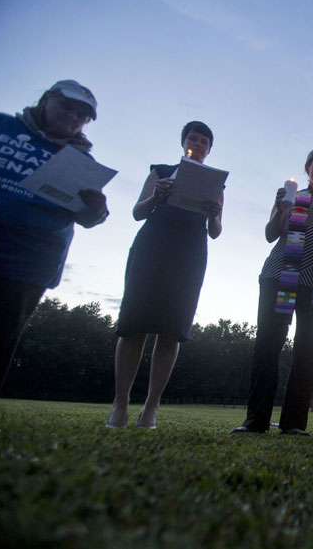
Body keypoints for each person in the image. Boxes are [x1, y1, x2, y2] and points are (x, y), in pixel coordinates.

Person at [0, 80, 109, 424]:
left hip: (26, 260)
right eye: (67, 107)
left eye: (82, 115)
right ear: (46, 100)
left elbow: (89, 218)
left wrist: (97, 209)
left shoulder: (80, 162)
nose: (74, 117)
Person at [107, 121, 223, 429]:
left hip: (190, 254)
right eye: (193, 138)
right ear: (183, 143)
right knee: (134, 324)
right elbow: (138, 212)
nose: (198, 144)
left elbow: (215, 231)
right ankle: (120, 403)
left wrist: (214, 215)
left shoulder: (215, 183)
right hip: (152, 248)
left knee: (172, 329)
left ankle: (151, 407)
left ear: (209, 149)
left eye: (204, 142)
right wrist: (156, 196)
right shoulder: (160, 172)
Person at [232, 147, 313, 436]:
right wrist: (280, 210)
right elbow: (270, 235)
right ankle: (256, 421)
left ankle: (294, 423)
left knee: (307, 351)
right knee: (267, 345)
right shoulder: (291, 197)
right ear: (307, 168)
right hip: (281, 276)